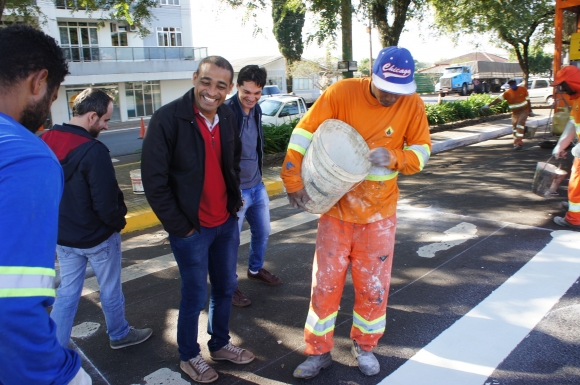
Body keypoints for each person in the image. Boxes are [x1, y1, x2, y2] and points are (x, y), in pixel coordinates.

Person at [281, 46, 432, 379]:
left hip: (379, 216)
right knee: (325, 286)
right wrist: (292, 177)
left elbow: (421, 153)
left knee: (373, 288)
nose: (393, 96)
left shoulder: (412, 104)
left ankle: (365, 346)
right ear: (372, 77)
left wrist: (395, 157)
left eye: (400, 90)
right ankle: (317, 351)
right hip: (336, 211)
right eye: (386, 88)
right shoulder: (341, 93)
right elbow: (305, 132)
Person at [141, 56, 255, 384]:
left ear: (229, 89)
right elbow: (154, 181)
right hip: (192, 229)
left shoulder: (229, 117)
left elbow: (232, 162)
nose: (211, 91)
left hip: (225, 223)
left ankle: (219, 345)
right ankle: (189, 356)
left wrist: (233, 205)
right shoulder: (167, 119)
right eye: (206, 81)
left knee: (225, 287)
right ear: (195, 78)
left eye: (221, 85)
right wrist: (182, 227)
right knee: (193, 295)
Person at [0, 25, 91, 384]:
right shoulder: (23, 156)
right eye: (52, 96)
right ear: (39, 82)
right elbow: (12, 302)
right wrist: (62, 376)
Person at [41, 88, 153, 350]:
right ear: (92, 116)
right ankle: (119, 333)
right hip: (97, 236)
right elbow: (105, 202)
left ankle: (54, 350)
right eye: (105, 120)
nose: (105, 125)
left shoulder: (45, 139)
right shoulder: (94, 151)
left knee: (67, 292)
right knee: (110, 288)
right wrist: (118, 223)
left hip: (63, 236)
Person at [224, 65, 281, 307]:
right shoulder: (226, 112)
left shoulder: (256, 109)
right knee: (230, 242)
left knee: (263, 231)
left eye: (257, 93)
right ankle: (229, 287)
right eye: (247, 92)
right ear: (237, 86)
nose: (251, 98)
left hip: (257, 185)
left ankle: (255, 269)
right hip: (237, 190)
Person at [550, 65, 580, 229]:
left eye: (563, 84)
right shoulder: (577, 99)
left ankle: (574, 219)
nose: (561, 89)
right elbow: (572, 124)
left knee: (577, 185)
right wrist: (561, 145)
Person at [482, 79, 533, 150]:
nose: (512, 85)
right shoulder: (507, 93)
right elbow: (498, 100)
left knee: (520, 125)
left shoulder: (523, 89)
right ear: (509, 85)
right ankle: (516, 144)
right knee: (515, 128)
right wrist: (488, 105)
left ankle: (519, 143)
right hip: (515, 113)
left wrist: (530, 110)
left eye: (513, 83)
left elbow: (528, 100)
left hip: (524, 110)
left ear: (516, 83)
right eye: (511, 84)